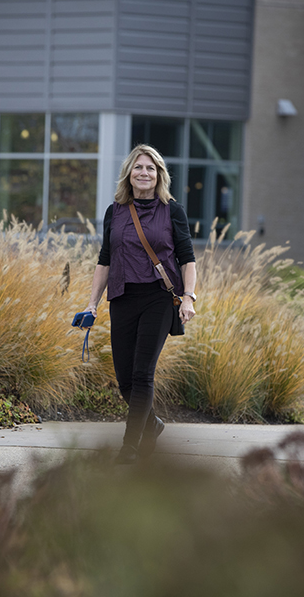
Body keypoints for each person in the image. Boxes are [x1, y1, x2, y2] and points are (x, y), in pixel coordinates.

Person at [82, 144, 197, 464]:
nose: (144, 173)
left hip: (159, 297)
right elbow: (104, 260)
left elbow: (187, 258)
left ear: (159, 174)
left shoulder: (172, 210)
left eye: (151, 168)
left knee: (143, 373)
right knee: (125, 380)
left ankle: (129, 446)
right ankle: (153, 424)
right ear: (129, 175)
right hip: (122, 296)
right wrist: (91, 303)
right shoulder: (114, 212)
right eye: (138, 168)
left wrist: (188, 297)